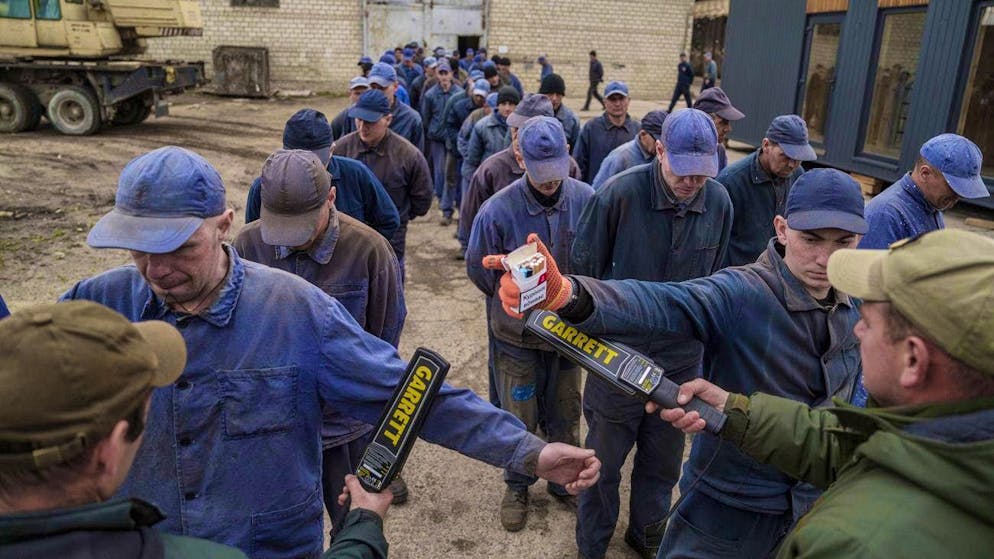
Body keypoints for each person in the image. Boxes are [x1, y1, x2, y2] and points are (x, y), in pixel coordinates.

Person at [62, 145, 601, 558]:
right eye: (139, 249)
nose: (157, 270)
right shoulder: (95, 306)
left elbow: (407, 394)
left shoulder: (296, 311)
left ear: (225, 223)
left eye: (180, 247)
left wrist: (530, 452)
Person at [485, 167, 868, 559]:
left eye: (844, 241)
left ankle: (644, 536)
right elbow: (661, 302)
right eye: (812, 239)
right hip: (727, 509)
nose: (827, 258)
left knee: (658, 473)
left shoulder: (859, 304)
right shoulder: (744, 293)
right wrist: (569, 294)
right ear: (783, 229)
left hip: (807, 511)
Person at [648, 228, 994, 559]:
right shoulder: (949, 438)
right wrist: (734, 409)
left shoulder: (850, 545)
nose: (856, 329)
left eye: (869, 323)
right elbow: (850, 448)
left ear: (914, 360)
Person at [571, 109, 733, 559]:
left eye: (703, 175)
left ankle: (646, 535)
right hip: (616, 360)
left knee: (663, 464)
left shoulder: (719, 203)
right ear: (659, 149)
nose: (692, 183)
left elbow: (716, 281)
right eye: (684, 172)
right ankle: (591, 547)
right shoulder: (618, 195)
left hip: (680, 363)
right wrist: (596, 344)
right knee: (601, 464)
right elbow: (583, 277)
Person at [235, 149, 406, 529]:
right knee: (279, 531)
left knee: (355, 525)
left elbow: (383, 341)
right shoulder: (247, 246)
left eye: (303, 226)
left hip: (346, 429)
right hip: (273, 427)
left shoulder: (370, 250)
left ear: (331, 198)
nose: (291, 241)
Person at [467, 116, 594, 533]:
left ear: (568, 156)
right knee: (518, 413)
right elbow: (478, 270)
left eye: (556, 172)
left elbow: (597, 263)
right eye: (541, 174)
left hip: (568, 334)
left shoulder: (587, 199)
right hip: (516, 337)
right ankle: (518, 482)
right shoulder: (497, 210)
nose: (549, 183)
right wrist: (510, 288)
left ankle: (563, 480)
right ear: (520, 158)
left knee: (565, 409)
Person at [244, 109, 399, 242]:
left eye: (315, 164)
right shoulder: (263, 187)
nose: (308, 173)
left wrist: (355, 254)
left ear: (332, 150)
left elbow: (389, 221)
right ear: (283, 153)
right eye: (298, 163)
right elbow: (252, 240)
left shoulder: (356, 175)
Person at [458, 94, 582, 260]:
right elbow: (472, 223)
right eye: (515, 129)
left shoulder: (570, 169)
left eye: (526, 128)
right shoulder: (491, 170)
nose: (517, 136)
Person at [335, 90, 432, 272]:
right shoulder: (341, 150)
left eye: (370, 121)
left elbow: (422, 200)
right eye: (359, 119)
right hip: (346, 241)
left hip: (390, 241)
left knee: (388, 291)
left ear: (388, 119)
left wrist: (398, 215)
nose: (363, 127)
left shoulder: (408, 155)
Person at [718, 114, 816, 267]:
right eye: (785, 156)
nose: (791, 164)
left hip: (780, 271)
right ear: (766, 145)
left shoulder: (798, 175)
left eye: (798, 158)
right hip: (739, 276)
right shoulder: (731, 181)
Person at [860, 133, 988, 249]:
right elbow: (871, 272)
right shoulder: (886, 214)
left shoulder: (932, 204)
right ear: (925, 173)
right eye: (954, 187)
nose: (958, 196)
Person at [337, 62, 424, 151]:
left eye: (382, 88)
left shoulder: (411, 119)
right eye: (373, 87)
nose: (377, 92)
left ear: (395, 86)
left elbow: (418, 158)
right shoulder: (353, 113)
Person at [442, 78, 491, 225]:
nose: (478, 98)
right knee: (450, 179)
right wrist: (461, 148)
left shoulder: (486, 113)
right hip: (456, 150)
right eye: (477, 95)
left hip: (474, 157)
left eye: (482, 96)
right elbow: (450, 125)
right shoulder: (459, 106)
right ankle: (447, 210)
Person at [574, 81, 640, 183]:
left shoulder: (638, 130)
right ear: (604, 102)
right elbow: (579, 165)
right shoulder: (591, 128)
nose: (617, 104)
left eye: (621, 99)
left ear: (628, 100)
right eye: (612, 99)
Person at [420, 60, 458, 223]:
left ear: (451, 74)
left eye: (446, 73)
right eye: (441, 73)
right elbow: (425, 117)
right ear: (437, 75)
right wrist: (433, 130)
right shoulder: (430, 95)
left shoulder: (458, 93)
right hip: (436, 138)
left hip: (452, 138)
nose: (443, 76)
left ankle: (449, 201)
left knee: (451, 171)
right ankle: (443, 201)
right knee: (439, 170)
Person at [590, 110, 667, 190]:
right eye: (657, 141)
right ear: (643, 134)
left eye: (665, 142)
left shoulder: (665, 156)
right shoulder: (619, 158)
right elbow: (598, 193)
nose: (661, 146)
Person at [463, 86, 520, 185]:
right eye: (503, 104)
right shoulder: (482, 127)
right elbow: (472, 159)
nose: (507, 108)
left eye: (511, 104)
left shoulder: (521, 128)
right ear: (498, 105)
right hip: (488, 180)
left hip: (512, 182)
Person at [693, 87, 745, 172]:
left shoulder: (719, 151)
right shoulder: (681, 149)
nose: (728, 129)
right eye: (723, 122)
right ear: (704, 120)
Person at [540, 73, 581, 153]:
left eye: (558, 94)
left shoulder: (571, 120)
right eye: (550, 94)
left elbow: (577, 152)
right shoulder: (531, 116)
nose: (554, 98)